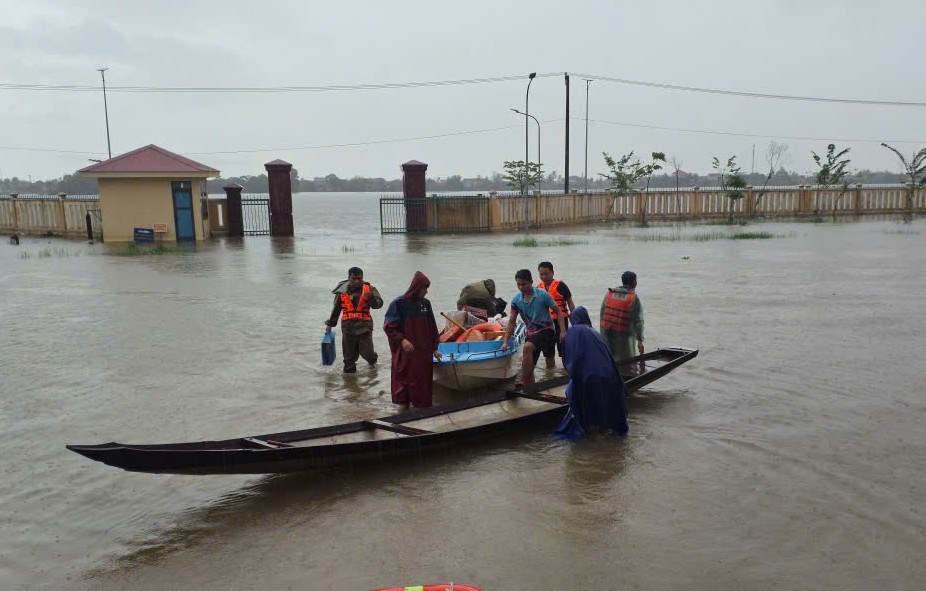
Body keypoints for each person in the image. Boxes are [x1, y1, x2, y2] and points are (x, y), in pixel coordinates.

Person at [553, 307, 629, 440]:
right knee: (606, 401)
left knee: (572, 393)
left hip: (587, 377)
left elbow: (569, 360)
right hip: (610, 376)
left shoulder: (572, 332)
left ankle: (588, 426)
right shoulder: (594, 333)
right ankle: (608, 428)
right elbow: (608, 358)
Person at [383, 271, 442, 408]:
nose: (426, 292)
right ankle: (403, 411)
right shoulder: (398, 304)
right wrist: (402, 340)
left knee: (422, 384)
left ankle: (421, 412)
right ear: (417, 287)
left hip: (423, 354)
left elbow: (432, 327)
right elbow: (389, 326)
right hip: (406, 354)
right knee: (403, 382)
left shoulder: (426, 304)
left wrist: (434, 348)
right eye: (424, 288)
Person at [500, 269, 567, 389]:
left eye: (524, 284)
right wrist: (505, 341)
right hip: (531, 334)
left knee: (544, 357)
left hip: (547, 331)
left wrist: (562, 331)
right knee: (530, 356)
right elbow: (511, 322)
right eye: (518, 284)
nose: (521, 287)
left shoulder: (543, 295)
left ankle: (540, 382)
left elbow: (559, 312)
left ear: (531, 282)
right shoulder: (516, 300)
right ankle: (529, 386)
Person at [325, 267, 383, 373]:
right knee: (348, 360)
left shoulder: (370, 289)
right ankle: (350, 386)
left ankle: (373, 365)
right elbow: (336, 309)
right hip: (348, 328)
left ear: (362, 278)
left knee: (368, 354)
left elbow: (378, 305)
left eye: (359, 279)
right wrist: (330, 324)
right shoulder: (342, 290)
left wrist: (371, 298)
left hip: (364, 328)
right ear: (349, 278)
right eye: (353, 279)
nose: (357, 281)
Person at [600, 271, 645, 372]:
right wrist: (640, 341)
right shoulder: (634, 298)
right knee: (627, 366)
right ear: (634, 283)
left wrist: (603, 337)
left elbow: (602, 315)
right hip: (624, 337)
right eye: (636, 281)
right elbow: (639, 321)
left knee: (610, 361)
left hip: (607, 334)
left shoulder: (609, 294)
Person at [536, 261, 576, 368]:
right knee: (548, 352)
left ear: (552, 273)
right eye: (541, 274)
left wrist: (575, 321)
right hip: (545, 324)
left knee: (564, 350)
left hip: (560, 322)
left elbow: (570, 302)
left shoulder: (561, 286)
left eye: (546, 274)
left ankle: (566, 372)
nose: (544, 277)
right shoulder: (538, 288)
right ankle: (550, 375)